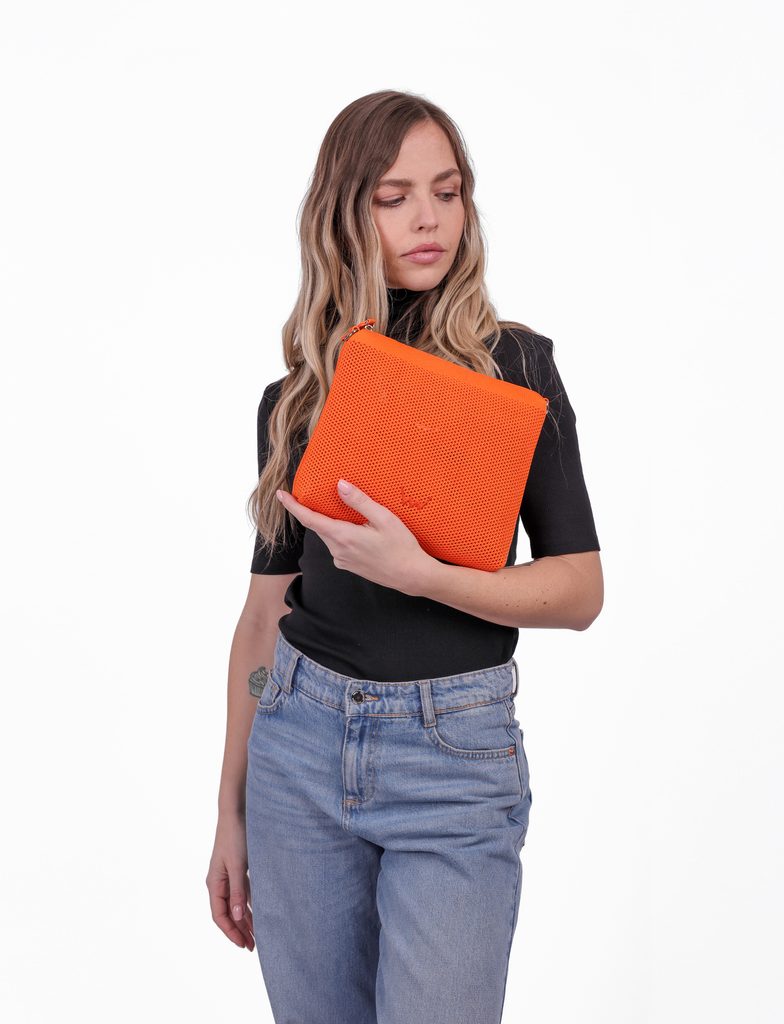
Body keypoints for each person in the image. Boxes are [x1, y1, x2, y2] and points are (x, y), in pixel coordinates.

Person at [206, 90, 603, 1024]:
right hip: (297, 748)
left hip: (453, 758)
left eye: (447, 191)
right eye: (394, 197)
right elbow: (263, 615)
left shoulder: (515, 368)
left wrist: (421, 574)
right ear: (344, 215)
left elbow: (580, 590)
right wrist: (231, 807)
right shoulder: (297, 398)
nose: (429, 218)